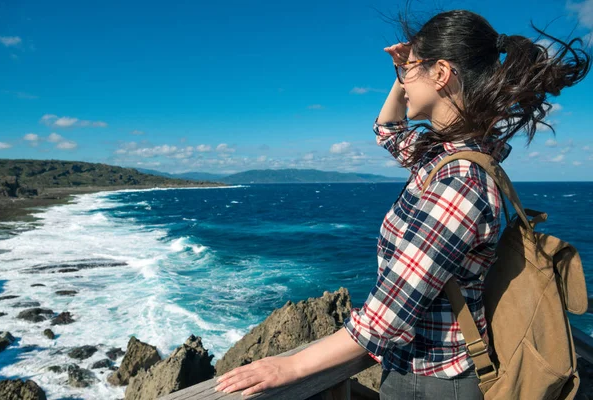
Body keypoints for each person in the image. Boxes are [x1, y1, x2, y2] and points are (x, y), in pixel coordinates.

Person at [214, 9, 590, 400]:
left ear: (442, 74)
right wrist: (404, 70)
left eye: (409, 71)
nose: (402, 80)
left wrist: (288, 365)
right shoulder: (453, 156)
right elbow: (388, 131)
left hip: (432, 383)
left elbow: (386, 317)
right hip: (422, 375)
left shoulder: (459, 183)